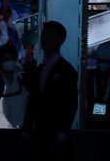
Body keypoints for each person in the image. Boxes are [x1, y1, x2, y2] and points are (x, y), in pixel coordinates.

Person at [22, 20, 79, 158]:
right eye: (43, 34)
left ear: (60, 40)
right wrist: (26, 130)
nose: (44, 38)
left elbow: (70, 105)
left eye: (49, 35)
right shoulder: (39, 69)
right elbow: (33, 101)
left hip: (54, 133)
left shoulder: (67, 70)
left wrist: (62, 135)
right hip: (38, 133)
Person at [86, 44, 110, 129]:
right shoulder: (87, 77)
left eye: (106, 61)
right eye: (101, 60)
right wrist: (86, 114)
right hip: (90, 125)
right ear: (96, 59)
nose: (103, 64)